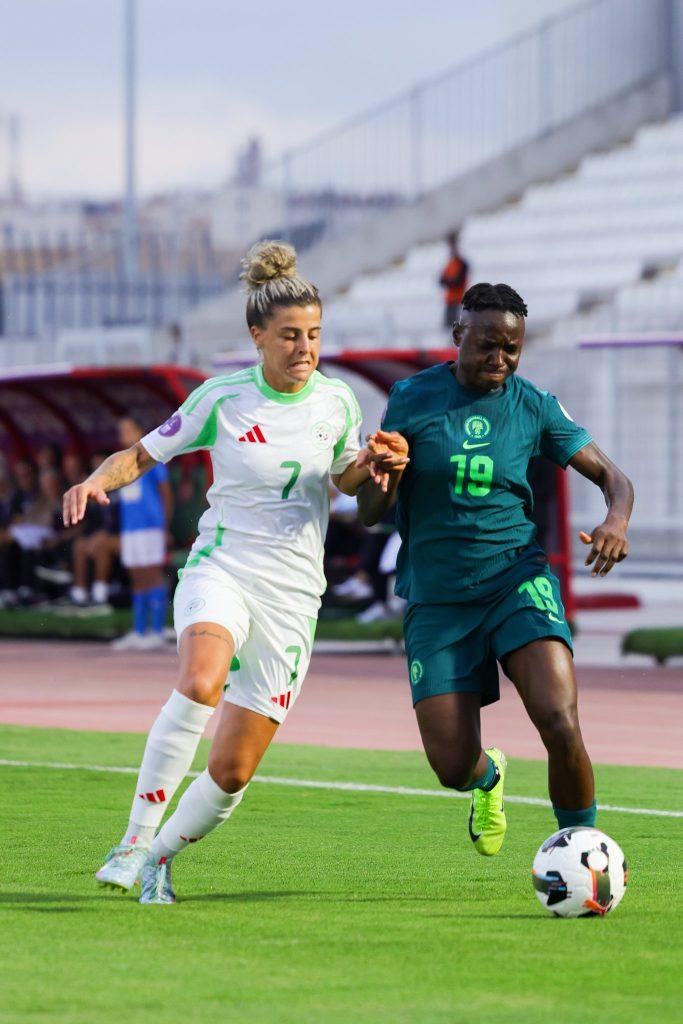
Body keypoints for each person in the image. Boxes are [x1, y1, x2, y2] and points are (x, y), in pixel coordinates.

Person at [62, 239, 405, 904]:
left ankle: (160, 857)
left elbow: (343, 482)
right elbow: (142, 454)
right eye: (290, 336)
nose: (305, 348)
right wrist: (96, 480)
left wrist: (371, 467)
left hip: (293, 595)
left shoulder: (337, 402)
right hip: (223, 565)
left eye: (314, 335)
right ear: (257, 337)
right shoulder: (221, 398)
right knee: (200, 681)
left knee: (232, 771)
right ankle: (132, 840)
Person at [357, 282, 633, 857]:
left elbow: (614, 478)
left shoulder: (534, 405)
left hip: (515, 580)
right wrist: (386, 476)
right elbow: (370, 512)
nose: (499, 359)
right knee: (452, 765)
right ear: (458, 335)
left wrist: (616, 520)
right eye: (487, 344)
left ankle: (583, 851)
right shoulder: (411, 398)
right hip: (437, 598)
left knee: (559, 718)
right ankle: (488, 778)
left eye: (512, 348)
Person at [111, 418, 173, 650]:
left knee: (152, 574)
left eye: (129, 430)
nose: (124, 435)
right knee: (136, 576)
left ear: (140, 431)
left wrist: (164, 526)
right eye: (121, 431)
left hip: (150, 527)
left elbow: (165, 493)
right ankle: (139, 631)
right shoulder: (121, 462)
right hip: (131, 528)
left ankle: (157, 630)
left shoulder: (152, 459)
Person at [439, 232, 469, 330]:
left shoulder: (462, 264)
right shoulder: (450, 264)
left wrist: (449, 281)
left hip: (458, 300)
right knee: (448, 327)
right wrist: (449, 281)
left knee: (456, 326)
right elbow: (441, 280)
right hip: (449, 300)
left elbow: (456, 282)